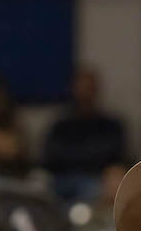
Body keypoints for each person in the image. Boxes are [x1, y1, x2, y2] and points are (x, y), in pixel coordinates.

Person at [42, 66, 128, 200]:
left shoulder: (111, 126)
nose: (84, 94)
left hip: (98, 181)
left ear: (96, 90)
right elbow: (51, 157)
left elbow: (116, 156)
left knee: (96, 186)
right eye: (81, 88)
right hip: (61, 181)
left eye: (89, 88)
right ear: (73, 89)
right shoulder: (60, 125)